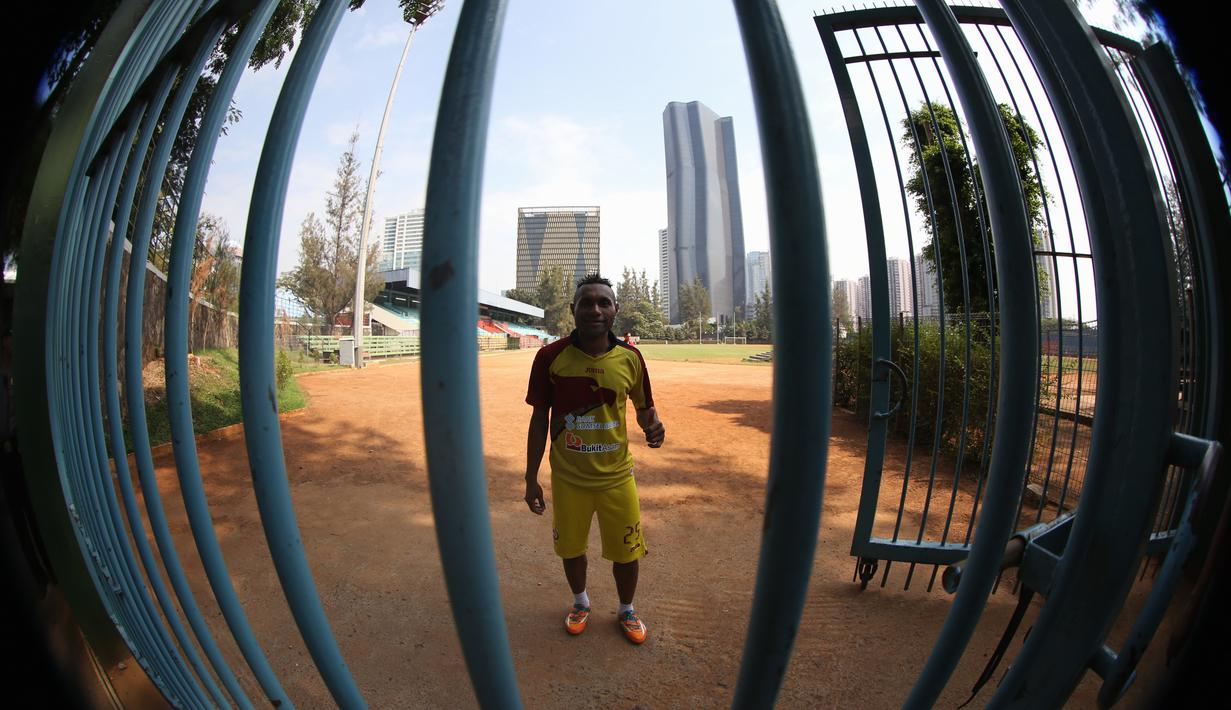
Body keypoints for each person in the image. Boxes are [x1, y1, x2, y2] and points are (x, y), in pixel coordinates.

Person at [524, 274, 665, 644]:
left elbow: (644, 408)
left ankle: (626, 609)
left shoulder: (631, 358)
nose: (595, 309)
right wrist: (530, 478)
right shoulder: (550, 357)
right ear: (573, 310)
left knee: (627, 551)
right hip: (569, 478)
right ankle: (581, 602)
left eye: (604, 302)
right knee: (571, 548)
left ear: (615, 310)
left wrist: (654, 426)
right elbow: (539, 419)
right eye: (586, 302)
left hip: (617, 477)